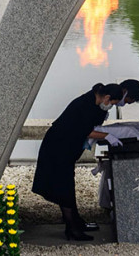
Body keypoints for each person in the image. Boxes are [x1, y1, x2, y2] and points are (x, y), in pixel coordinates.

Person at [32, 82, 125, 241]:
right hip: (57, 148)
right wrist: (107, 136)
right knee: (64, 187)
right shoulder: (84, 104)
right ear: (107, 97)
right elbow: (86, 130)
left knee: (67, 184)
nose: (110, 106)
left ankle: (76, 222)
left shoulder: (94, 102)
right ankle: (71, 229)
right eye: (112, 103)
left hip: (65, 149)